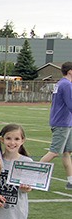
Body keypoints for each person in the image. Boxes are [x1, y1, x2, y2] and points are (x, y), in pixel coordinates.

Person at [40, 61, 72, 189]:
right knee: (54, 152)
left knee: (66, 152)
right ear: (70, 71)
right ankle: (29, 175)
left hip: (66, 122)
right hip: (62, 123)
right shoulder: (66, 85)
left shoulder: (62, 84)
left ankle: (70, 181)